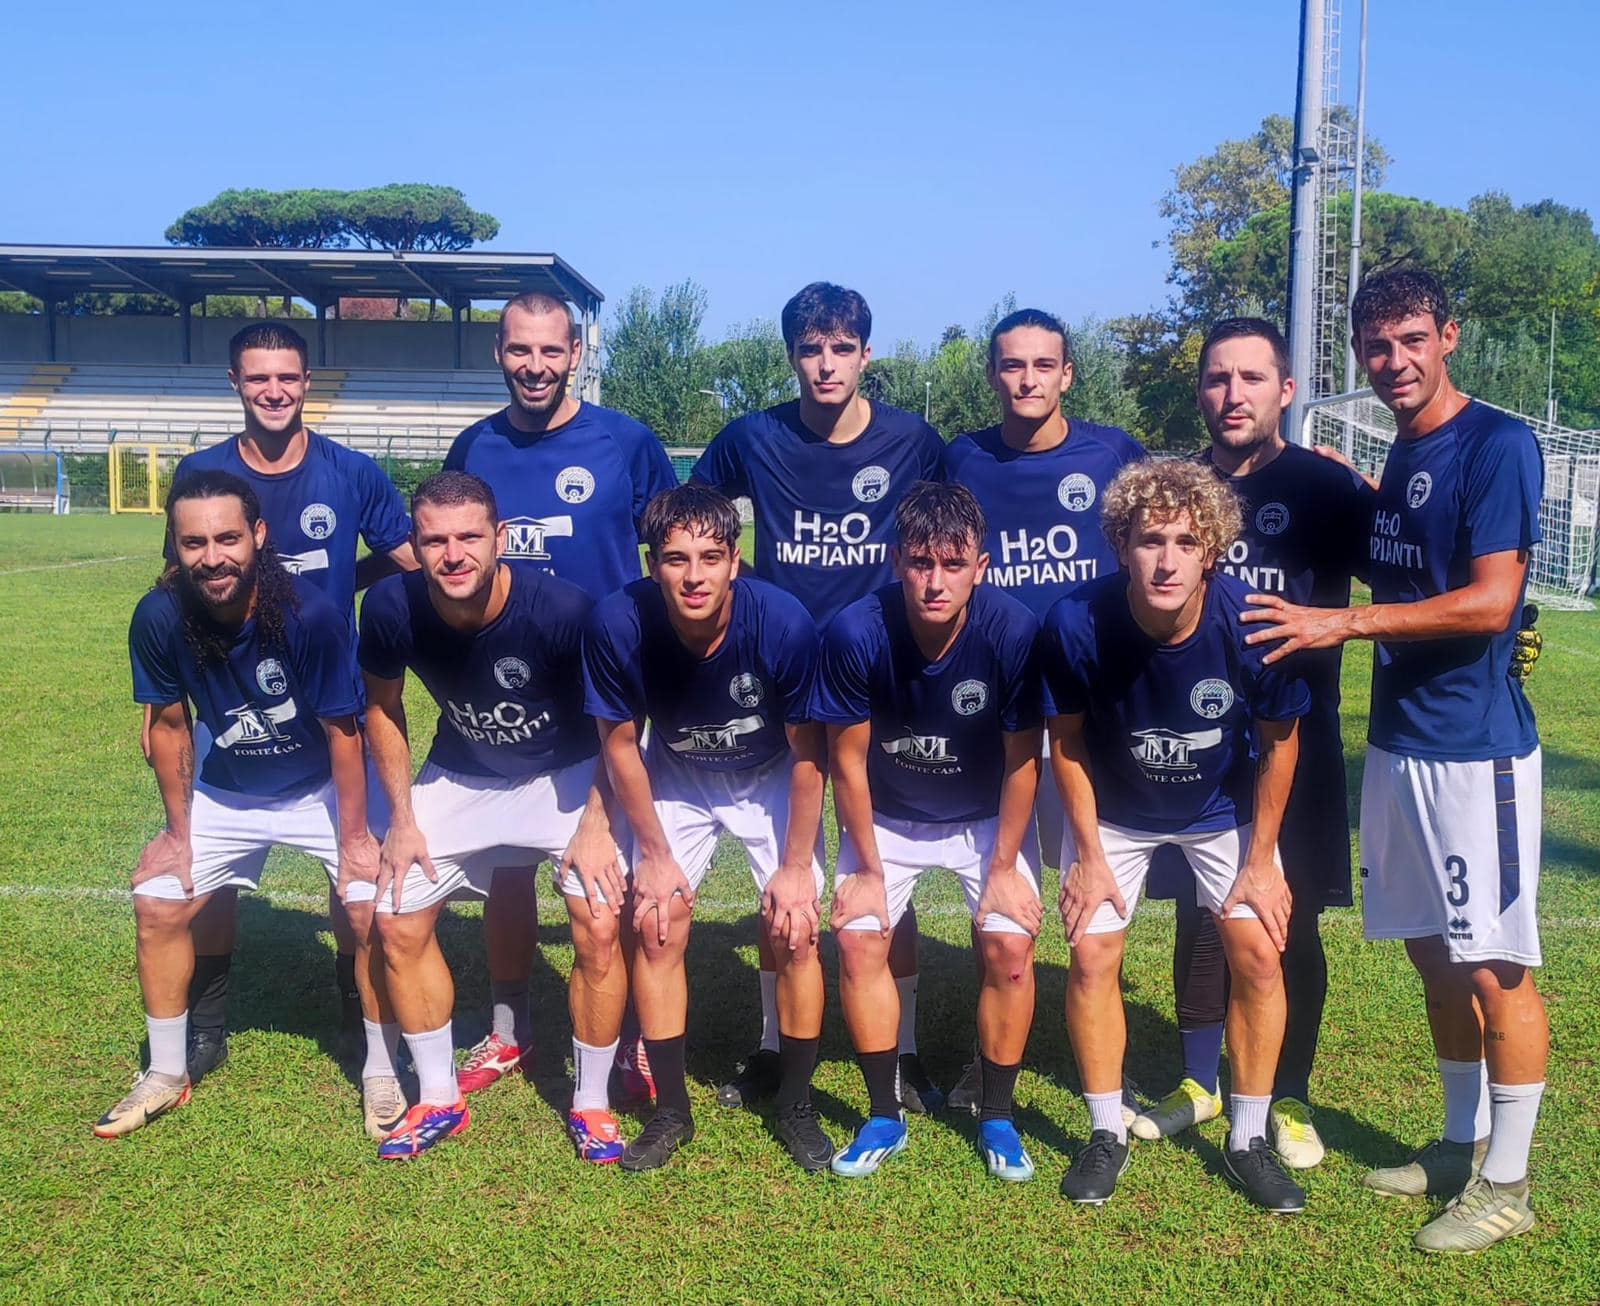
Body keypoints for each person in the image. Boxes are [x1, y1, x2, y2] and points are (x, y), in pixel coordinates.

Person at [1243, 267, 1548, 1253]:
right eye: (1376, 346)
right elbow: (1414, 564)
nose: (1394, 361)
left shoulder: (1497, 443)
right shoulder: (1407, 449)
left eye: (1412, 339)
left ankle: (1508, 1182)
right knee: (1431, 950)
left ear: (1448, 336)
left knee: (1494, 965)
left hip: (1473, 752)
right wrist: (1367, 495)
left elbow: (1492, 601)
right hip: (1399, 742)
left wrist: (1342, 622)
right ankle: (1458, 1146)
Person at [692, 281, 948, 1115]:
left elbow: (950, 533)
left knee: (884, 865)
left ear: (867, 355)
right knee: (785, 869)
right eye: (811, 349)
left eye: (842, 348)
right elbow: (694, 518)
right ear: (793, 356)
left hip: (884, 674)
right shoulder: (751, 437)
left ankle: (902, 1050)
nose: (826, 364)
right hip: (783, 677)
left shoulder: (913, 441)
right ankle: (775, 1047)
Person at [1130, 318, 1371, 1172]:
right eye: (1217, 378)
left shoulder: (1326, 488)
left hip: (1291, 737)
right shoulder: (1175, 489)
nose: (1233, 395)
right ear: (1200, 390)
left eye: (1252, 378)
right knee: (1199, 916)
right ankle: (1200, 1083)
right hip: (1192, 742)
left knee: (1283, 915)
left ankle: (1288, 1095)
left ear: (1286, 390)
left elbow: (1408, 568)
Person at [1039, 459, 1310, 1213]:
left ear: (1211, 552)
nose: (1166, 560)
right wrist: (1089, 856)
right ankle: (1106, 1132)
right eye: (1149, 540)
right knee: (1092, 954)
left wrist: (1262, 861)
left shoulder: (1251, 622)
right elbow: (1065, 742)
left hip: (1220, 809)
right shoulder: (1075, 622)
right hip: (1115, 809)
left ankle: (1247, 1140)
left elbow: (1281, 743)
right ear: (1120, 546)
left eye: (1186, 542)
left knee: (1258, 955)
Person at [165, 322, 415, 1129]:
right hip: (234, 695)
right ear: (235, 384)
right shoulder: (203, 474)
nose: (273, 391)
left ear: (308, 383)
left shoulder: (350, 472)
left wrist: (343, 581)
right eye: (257, 378)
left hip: (329, 693)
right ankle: (207, 1027)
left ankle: (356, 1018)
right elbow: (180, 573)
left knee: (352, 866)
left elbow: (407, 557)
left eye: (287, 377)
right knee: (212, 875)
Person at [442, 292, 677, 1098]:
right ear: (498, 353)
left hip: (607, 687)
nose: (534, 366)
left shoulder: (626, 442)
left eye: (550, 351)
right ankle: (511, 1030)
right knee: (507, 868)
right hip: (506, 689)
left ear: (575, 354)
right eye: (519, 350)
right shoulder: (474, 445)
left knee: (621, 871)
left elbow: (667, 551)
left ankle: (634, 1034)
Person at [96, 470, 379, 1137]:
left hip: (318, 784)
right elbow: (170, 726)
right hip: (226, 787)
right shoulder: (159, 615)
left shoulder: (311, 615)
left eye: (227, 538)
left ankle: (380, 1067)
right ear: (175, 545)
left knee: (370, 905)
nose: (212, 557)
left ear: (258, 536)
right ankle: (167, 1070)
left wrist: (356, 838)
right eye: (194, 542)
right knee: (158, 900)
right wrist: (178, 832)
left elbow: (344, 734)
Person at [358, 471, 628, 1161]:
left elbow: (619, 724)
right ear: (414, 545)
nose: (453, 555)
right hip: (464, 772)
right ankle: (439, 1098)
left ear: (500, 538)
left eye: (469, 538)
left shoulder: (563, 611)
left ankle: (592, 1103)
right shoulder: (389, 606)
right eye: (434, 542)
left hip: (568, 774)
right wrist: (403, 820)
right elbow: (382, 708)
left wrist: (597, 822)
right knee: (395, 914)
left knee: (599, 923)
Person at [583, 485, 831, 1172]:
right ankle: (671, 1111)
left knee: (796, 928)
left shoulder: (782, 623)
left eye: (711, 557)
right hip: (677, 772)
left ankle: (795, 1103)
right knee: (655, 921)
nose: (694, 576)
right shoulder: (618, 623)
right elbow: (620, 745)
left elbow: (810, 754)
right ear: (651, 565)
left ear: (735, 562)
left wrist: (795, 866)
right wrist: (654, 854)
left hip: (771, 773)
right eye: (675, 559)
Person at [941, 306, 1145, 1114]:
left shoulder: (1113, 452)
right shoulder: (962, 458)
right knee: (1002, 897)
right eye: (1011, 364)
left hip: (1090, 713)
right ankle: (990, 1060)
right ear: (993, 374)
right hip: (995, 714)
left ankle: (1107, 1058)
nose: (1026, 379)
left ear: (1067, 374)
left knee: (1094, 889)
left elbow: (1178, 521)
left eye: (1042, 364)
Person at [813, 481, 1044, 1181]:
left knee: (1010, 947)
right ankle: (884, 1114)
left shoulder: (1013, 631)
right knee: (860, 941)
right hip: (888, 817)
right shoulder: (855, 631)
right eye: (920, 562)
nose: (934, 581)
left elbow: (1023, 760)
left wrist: (1003, 867)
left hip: (984, 818)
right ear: (897, 561)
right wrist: (867, 869)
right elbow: (847, 762)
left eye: (952, 564)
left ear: (982, 566)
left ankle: (997, 1116)